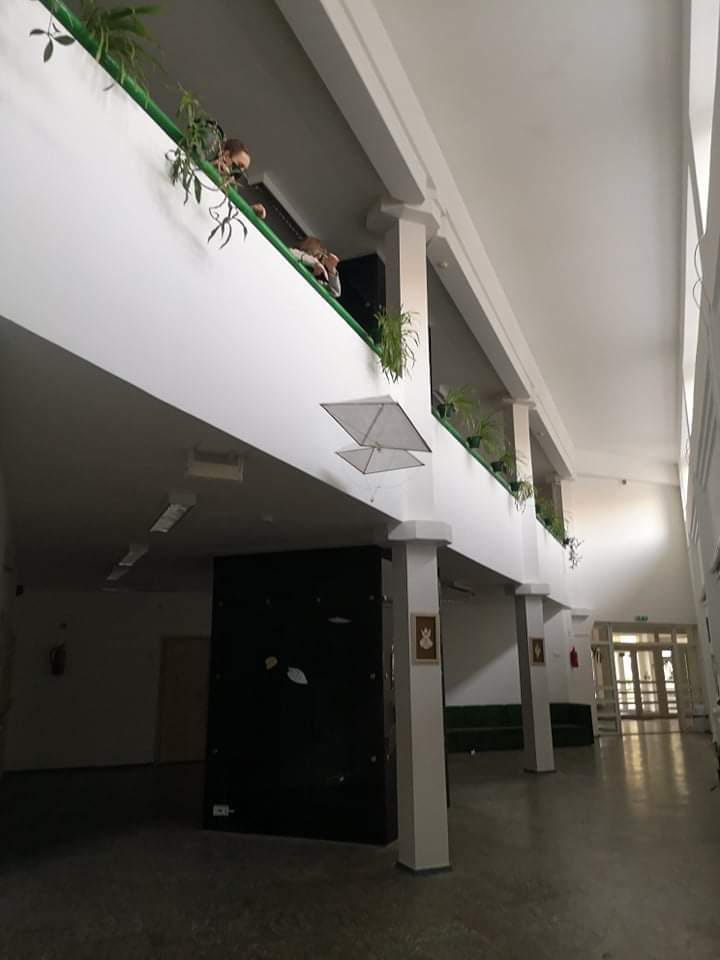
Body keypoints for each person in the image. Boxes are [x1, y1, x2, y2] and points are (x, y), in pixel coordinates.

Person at [212, 138, 267, 220]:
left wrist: (250, 210)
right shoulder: (206, 156)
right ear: (226, 155)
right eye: (240, 165)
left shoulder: (232, 188)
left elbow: (228, 212)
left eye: (243, 170)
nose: (240, 171)